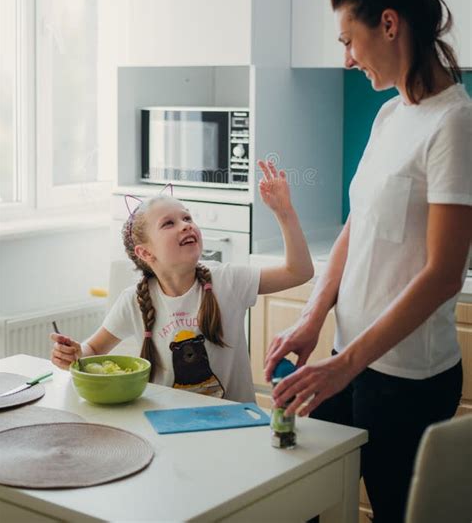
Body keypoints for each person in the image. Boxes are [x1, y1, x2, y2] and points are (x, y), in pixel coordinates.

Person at [265, 0, 472, 523]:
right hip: (347, 357)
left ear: (388, 24)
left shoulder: (453, 124)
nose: (347, 58)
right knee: (315, 496)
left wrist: (346, 363)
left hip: (405, 378)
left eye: (349, 41)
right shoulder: (391, 114)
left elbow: (442, 276)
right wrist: (312, 318)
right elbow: (357, 225)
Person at [51, 159, 314, 403]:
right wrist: (75, 354)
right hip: (169, 424)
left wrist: (284, 212)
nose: (186, 225)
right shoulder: (133, 301)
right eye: (169, 223)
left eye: (187, 218)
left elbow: (299, 271)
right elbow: (94, 348)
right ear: (146, 252)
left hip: (234, 425)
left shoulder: (228, 280)